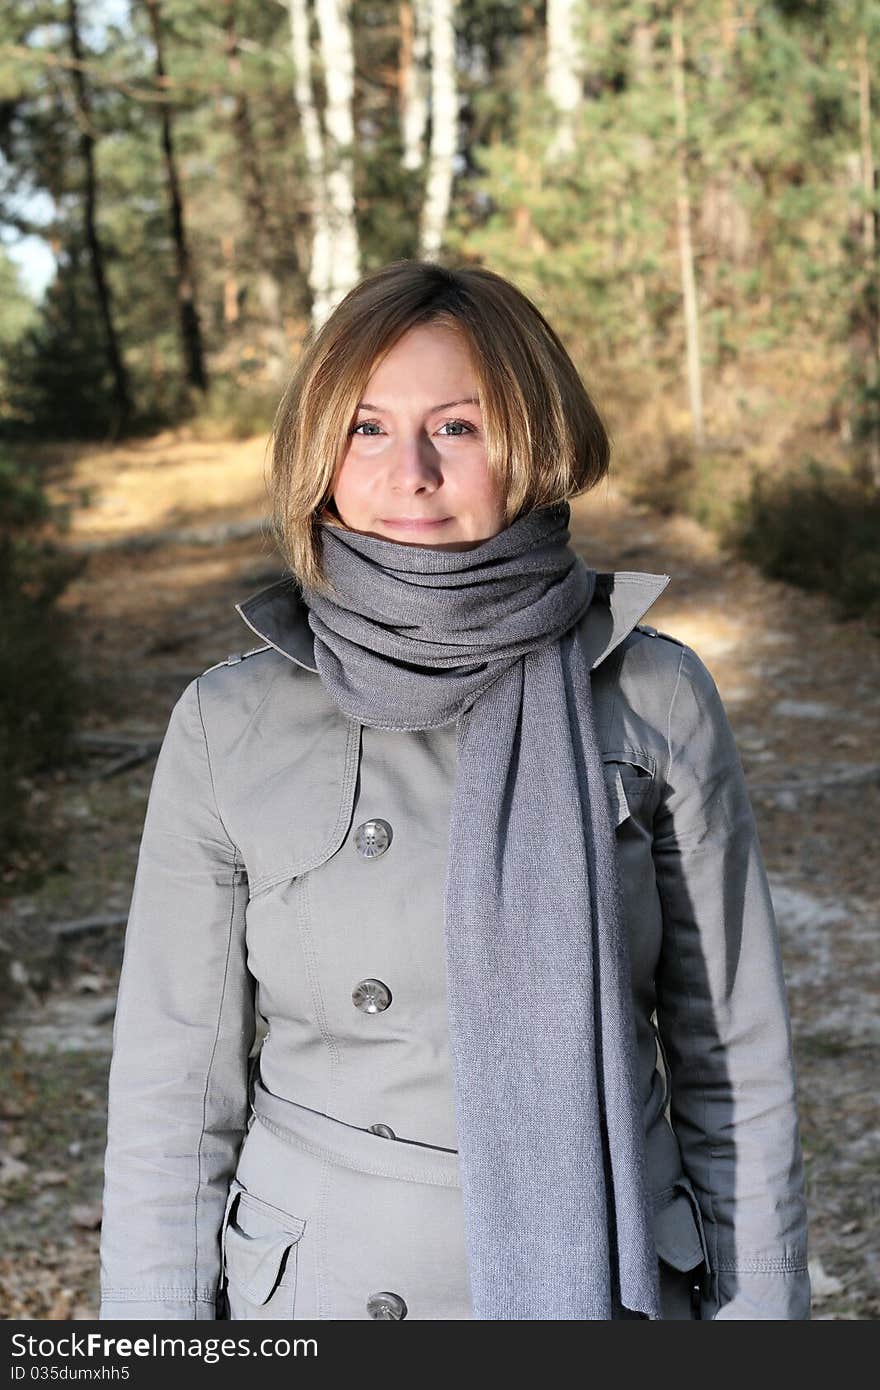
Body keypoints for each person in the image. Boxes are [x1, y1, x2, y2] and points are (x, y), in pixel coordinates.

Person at [98, 259, 810, 1321]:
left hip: (607, 1279)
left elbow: (733, 1066)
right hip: (328, 1291)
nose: (409, 473)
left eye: (459, 427)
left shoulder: (653, 694)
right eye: (367, 429)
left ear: (535, 438)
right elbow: (173, 1090)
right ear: (318, 454)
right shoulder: (230, 721)